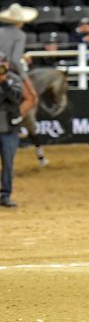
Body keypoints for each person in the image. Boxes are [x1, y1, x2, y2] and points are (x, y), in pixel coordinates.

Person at [0, 3, 39, 118]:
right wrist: (25, 78)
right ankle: (14, 120)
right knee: (31, 98)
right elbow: (14, 60)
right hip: (5, 71)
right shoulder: (20, 35)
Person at [0, 52, 24, 207]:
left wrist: (4, 84)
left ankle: (5, 195)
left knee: (8, 163)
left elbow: (16, 99)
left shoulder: (14, 80)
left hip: (9, 130)